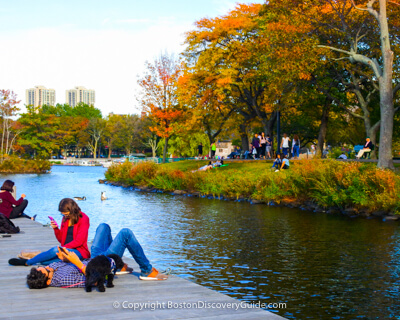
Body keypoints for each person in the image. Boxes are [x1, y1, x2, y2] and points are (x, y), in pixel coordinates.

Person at [26, 224, 168, 289]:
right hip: (100, 265)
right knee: (126, 233)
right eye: (41, 271)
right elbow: (93, 281)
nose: (43, 268)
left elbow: (56, 264)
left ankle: (116, 265)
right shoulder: (63, 279)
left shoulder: (51, 269)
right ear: (47, 280)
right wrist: (77, 262)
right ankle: (146, 270)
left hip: (95, 258)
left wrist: (65, 258)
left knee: (103, 227)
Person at [9, 198, 90, 266]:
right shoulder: (65, 219)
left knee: (55, 250)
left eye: (66, 214)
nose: (65, 216)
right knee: (45, 262)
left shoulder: (83, 219)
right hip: (66, 250)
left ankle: (27, 262)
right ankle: (35, 259)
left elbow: (79, 241)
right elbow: (61, 240)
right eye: (63, 214)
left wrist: (63, 249)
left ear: (72, 210)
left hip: (79, 252)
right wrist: (56, 229)